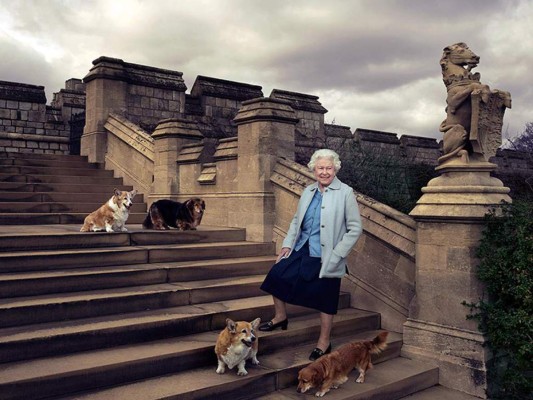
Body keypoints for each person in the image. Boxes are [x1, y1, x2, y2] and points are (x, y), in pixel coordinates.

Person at [259, 148, 363, 361]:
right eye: (320, 168)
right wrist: (287, 245)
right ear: (313, 169)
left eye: (328, 168)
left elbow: (355, 228)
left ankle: (324, 342)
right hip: (302, 247)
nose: (324, 172)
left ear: (335, 169)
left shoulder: (345, 193)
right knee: (276, 275)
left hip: (327, 254)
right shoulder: (308, 191)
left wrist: (338, 254)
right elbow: (297, 220)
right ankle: (280, 317)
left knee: (326, 297)